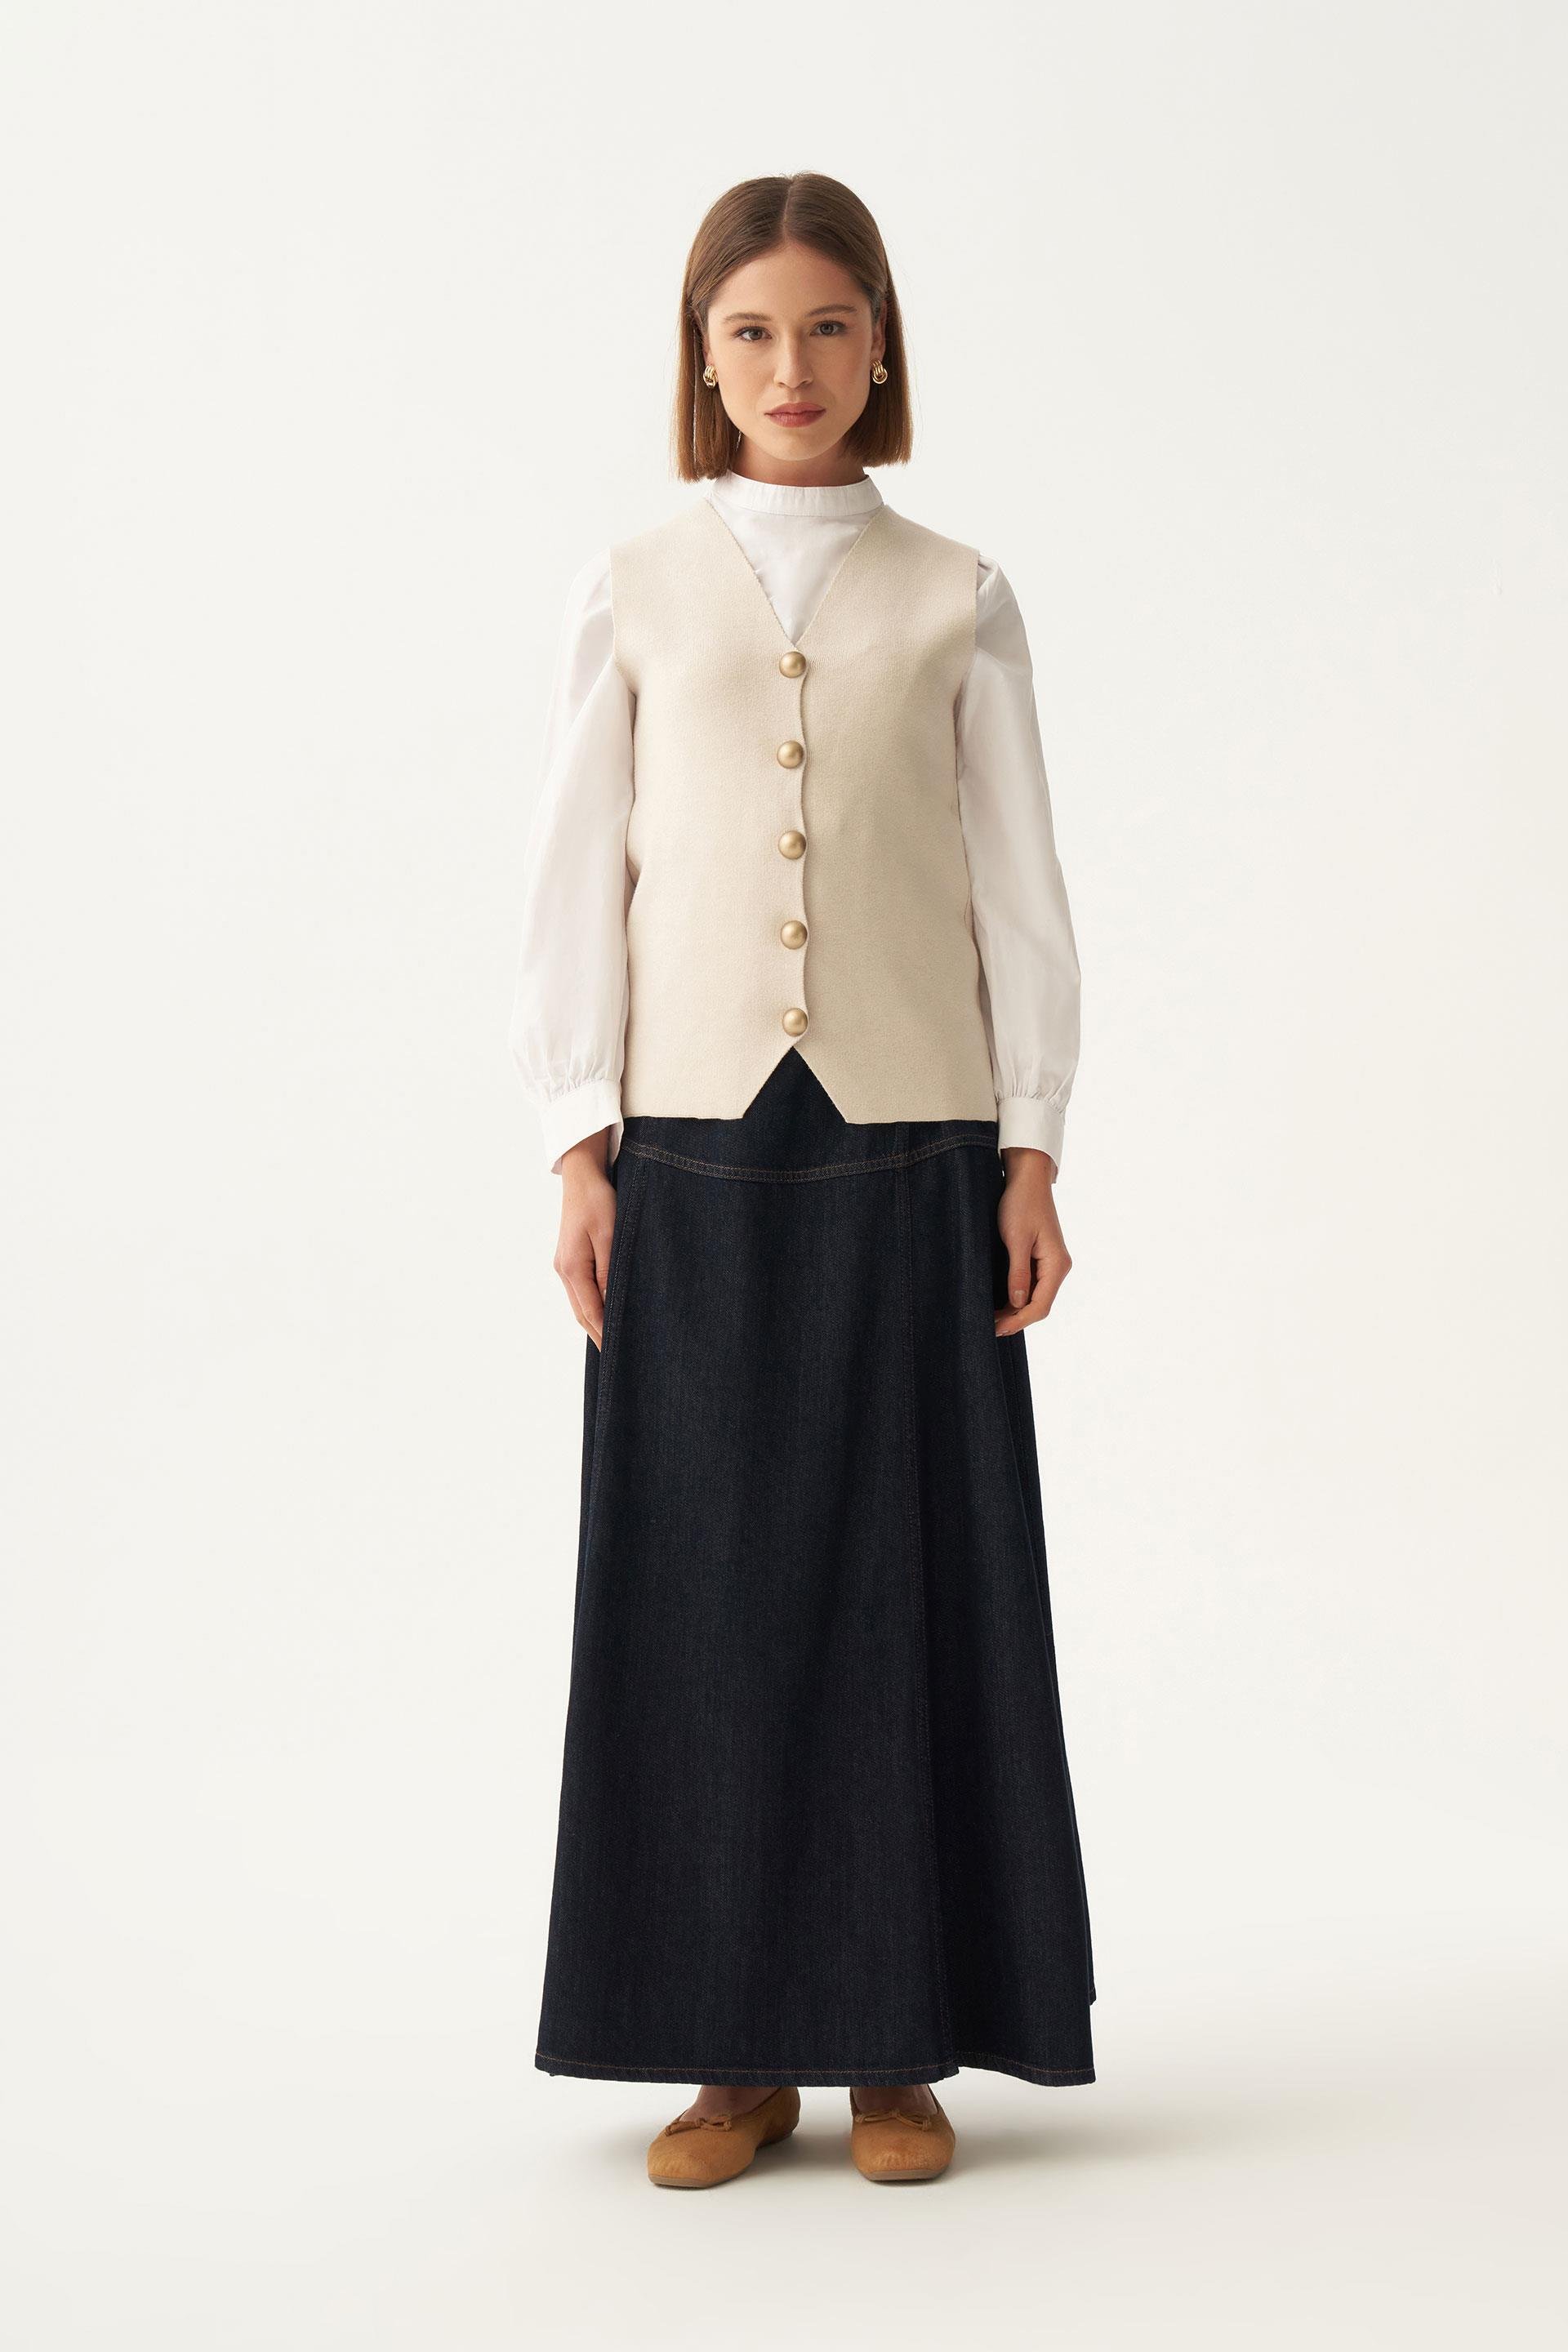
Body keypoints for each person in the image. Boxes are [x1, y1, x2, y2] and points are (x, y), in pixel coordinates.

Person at [509, 172, 1095, 2189]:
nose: (791, 366)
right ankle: (729, 2054)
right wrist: (577, 1140)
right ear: (703, 355)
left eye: (829, 327)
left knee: (913, 1582)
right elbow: (577, 873)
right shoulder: (631, 589)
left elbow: (1017, 885)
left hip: (913, 1136)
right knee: (703, 1594)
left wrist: (1034, 1142)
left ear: (880, 345)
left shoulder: (959, 593)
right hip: (690, 1143)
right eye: (751, 331)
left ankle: (894, 2047)